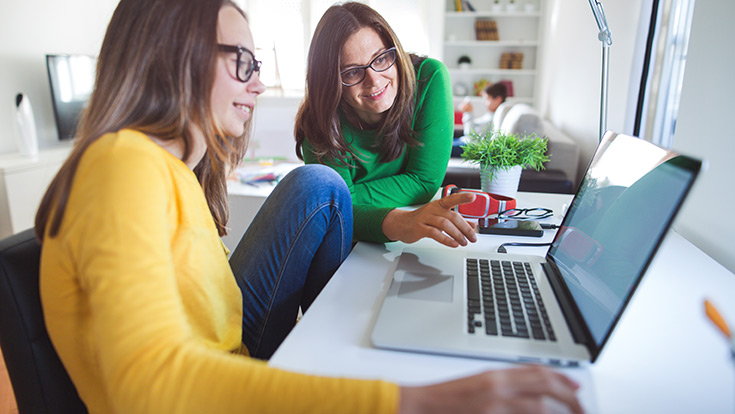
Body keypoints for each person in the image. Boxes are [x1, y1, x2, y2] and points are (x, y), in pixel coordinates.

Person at [34, 0, 583, 412]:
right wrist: (407, 402)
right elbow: (152, 385)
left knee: (321, 191)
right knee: (320, 184)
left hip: (229, 348)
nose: (259, 81)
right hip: (219, 369)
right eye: (242, 61)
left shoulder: (167, 169)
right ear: (177, 58)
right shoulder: (120, 164)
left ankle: (344, 346)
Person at [295, 2, 478, 249]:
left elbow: (424, 182)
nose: (374, 80)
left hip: (414, 234)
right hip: (349, 244)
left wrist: (348, 200)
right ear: (330, 82)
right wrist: (398, 221)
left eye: (381, 59)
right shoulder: (320, 118)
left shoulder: (429, 78)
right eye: (351, 72)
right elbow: (332, 214)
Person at [451, 82, 509, 157]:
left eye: (487, 99)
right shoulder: (491, 114)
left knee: (439, 146)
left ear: (498, 99)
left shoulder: (495, 119)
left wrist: (468, 113)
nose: (484, 102)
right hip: (464, 141)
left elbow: (471, 135)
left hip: (469, 145)